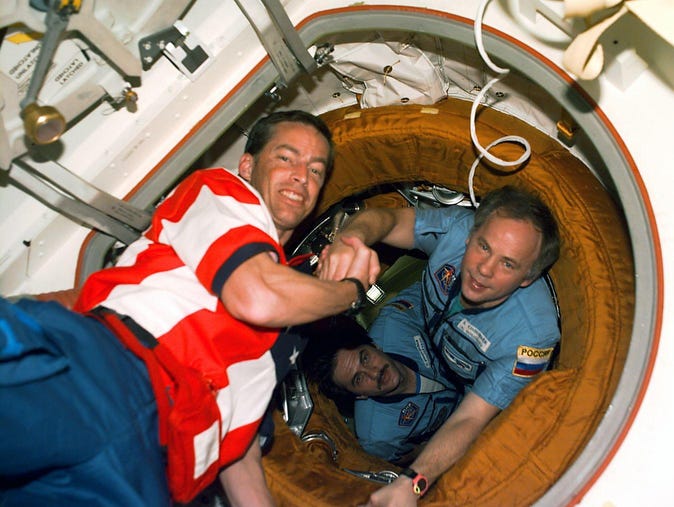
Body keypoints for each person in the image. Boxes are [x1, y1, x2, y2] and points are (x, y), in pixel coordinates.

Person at [0, 110, 375, 507]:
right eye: (286, 158)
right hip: (111, 370)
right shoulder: (222, 193)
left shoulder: (288, 334)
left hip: (164, 467)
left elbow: (239, 449)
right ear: (247, 166)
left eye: (316, 170)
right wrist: (349, 291)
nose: (303, 175)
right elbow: (255, 296)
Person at [317, 185, 561, 506]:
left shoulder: (530, 336)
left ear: (528, 277)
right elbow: (388, 221)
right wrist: (351, 240)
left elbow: (471, 418)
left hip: (472, 393)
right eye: (484, 246)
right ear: (471, 234)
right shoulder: (454, 230)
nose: (484, 270)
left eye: (508, 264)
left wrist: (414, 483)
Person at [302, 314, 460, 465]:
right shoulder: (377, 438)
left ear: (375, 345)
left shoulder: (395, 322)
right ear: (359, 396)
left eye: (365, 358)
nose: (374, 372)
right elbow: (402, 461)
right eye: (358, 379)